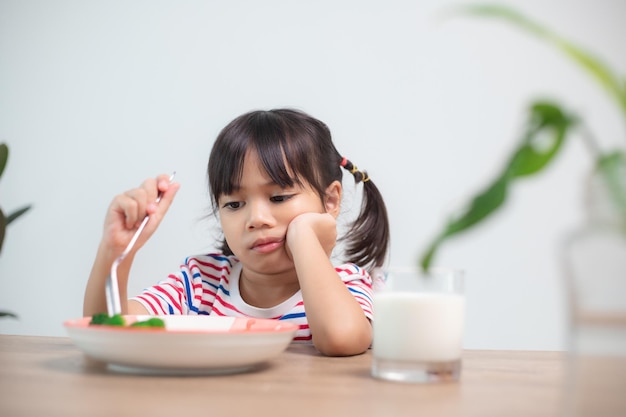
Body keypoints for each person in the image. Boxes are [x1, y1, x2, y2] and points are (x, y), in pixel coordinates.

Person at [83, 108, 390, 356]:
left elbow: (342, 340)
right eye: (234, 204)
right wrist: (116, 252)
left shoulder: (348, 284)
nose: (255, 218)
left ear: (331, 199)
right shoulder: (202, 283)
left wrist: (305, 238)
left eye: (279, 198)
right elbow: (109, 330)